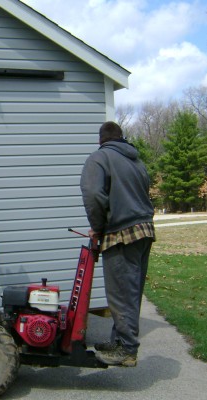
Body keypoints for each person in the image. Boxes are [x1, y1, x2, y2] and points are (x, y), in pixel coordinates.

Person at [79, 121, 155, 367]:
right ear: (121, 138)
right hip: (144, 232)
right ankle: (119, 341)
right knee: (131, 292)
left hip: (121, 234)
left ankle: (127, 350)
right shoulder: (136, 161)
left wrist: (99, 227)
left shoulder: (99, 158)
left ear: (101, 140)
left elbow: (92, 194)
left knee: (121, 294)